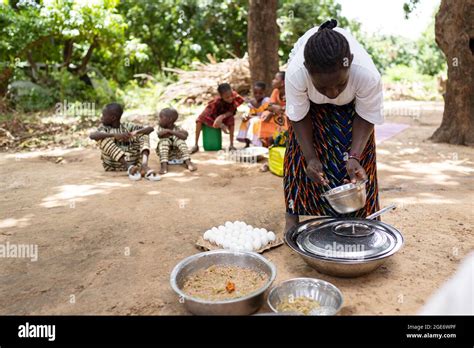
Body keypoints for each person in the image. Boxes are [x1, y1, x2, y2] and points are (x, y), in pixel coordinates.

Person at [283, 19, 384, 232]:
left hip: (352, 108)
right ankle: (293, 215)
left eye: (340, 83)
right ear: (308, 70)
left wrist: (355, 155)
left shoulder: (366, 74)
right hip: (308, 108)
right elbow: (298, 116)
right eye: (322, 86)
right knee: (300, 157)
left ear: (350, 63)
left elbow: (366, 115)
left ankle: (362, 216)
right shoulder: (296, 73)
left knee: (353, 163)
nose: (332, 93)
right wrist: (310, 157)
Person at [89, 103, 160, 181]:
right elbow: (92, 136)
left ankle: (144, 166)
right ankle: (128, 166)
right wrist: (114, 135)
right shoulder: (104, 128)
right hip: (113, 166)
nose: (101, 117)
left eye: (103, 115)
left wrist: (134, 133)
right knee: (102, 138)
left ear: (113, 118)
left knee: (143, 134)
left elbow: (150, 129)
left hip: (135, 166)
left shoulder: (127, 126)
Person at [190, 83, 244, 153]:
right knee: (199, 120)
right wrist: (221, 125)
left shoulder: (235, 96)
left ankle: (231, 145)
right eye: (227, 97)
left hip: (225, 114)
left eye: (231, 96)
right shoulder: (216, 102)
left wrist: (222, 116)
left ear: (232, 91)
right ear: (221, 96)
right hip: (212, 115)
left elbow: (232, 111)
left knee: (231, 119)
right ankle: (196, 145)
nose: (230, 98)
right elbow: (212, 114)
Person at [156, 107, 196, 174]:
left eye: (161, 117)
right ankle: (164, 165)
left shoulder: (178, 128)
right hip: (167, 157)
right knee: (164, 141)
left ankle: (188, 162)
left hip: (179, 156)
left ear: (169, 119)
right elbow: (160, 135)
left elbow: (185, 136)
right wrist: (171, 133)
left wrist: (170, 131)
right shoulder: (160, 128)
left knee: (180, 141)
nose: (159, 119)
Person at [257, 71, 288, 148]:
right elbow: (270, 106)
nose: (273, 81)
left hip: (286, 115)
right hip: (277, 114)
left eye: (275, 79)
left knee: (283, 118)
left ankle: (284, 140)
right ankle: (267, 143)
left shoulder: (290, 91)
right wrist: (272, 112)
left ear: (282, 83)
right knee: (265, 116)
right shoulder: (276, 91)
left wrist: (278, 109)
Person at [237, 81, 270, 147]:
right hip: (255, 118)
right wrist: (246, 116)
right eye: (255, 93)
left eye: (260, 93)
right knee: (245, 121)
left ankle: (257, 143)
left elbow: (266, 114)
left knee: (254, 121)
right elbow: (252, 113)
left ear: (264, 93)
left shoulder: (266, 101)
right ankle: (247, 143)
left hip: (265, 120)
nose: (257, 95)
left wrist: (252, 117)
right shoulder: (252, 102)